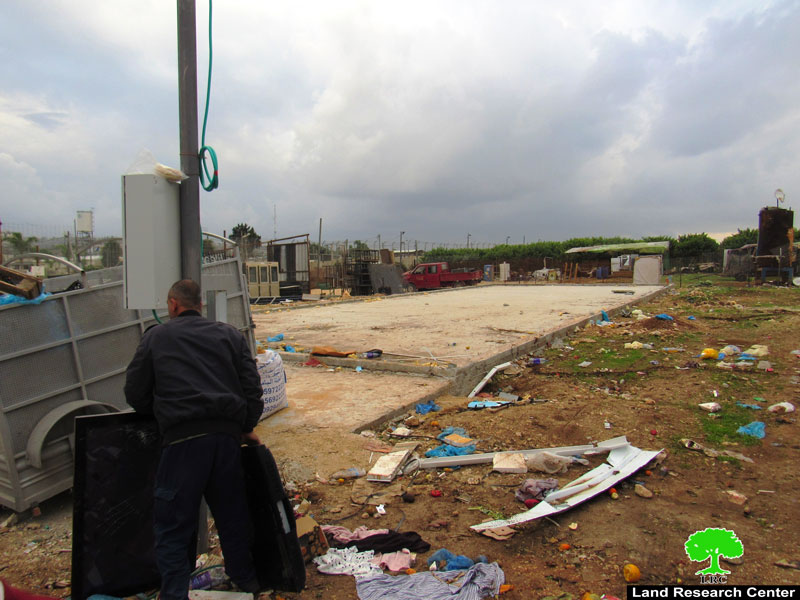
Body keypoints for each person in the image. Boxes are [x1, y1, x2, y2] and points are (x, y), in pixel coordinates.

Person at [124, 279, 264, 600]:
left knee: (173, 526)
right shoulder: (230, 336)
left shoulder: (155, 337)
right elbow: (252, 391)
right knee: (232, 517)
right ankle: (247, 584)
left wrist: (159, 415)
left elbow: (135, 392)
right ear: (199, 304)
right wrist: (243, 426)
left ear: (173, 304)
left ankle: (174, 594)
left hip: (182, 444)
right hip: (226, 442)